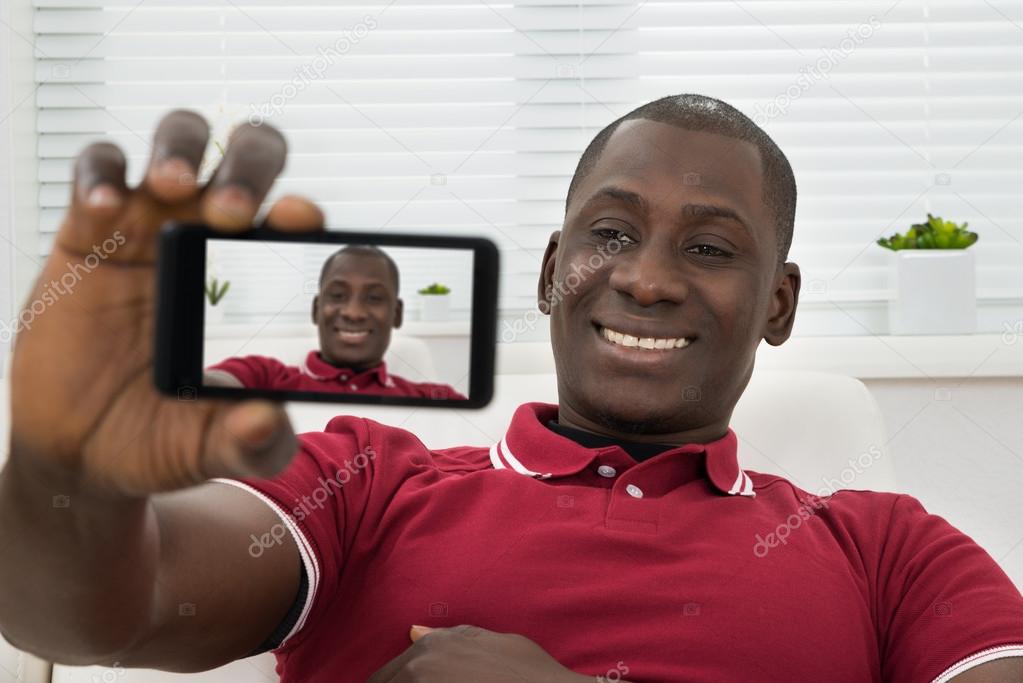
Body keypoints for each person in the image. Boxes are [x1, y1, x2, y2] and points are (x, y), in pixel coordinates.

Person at [2, 99, 1022, 682]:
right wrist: (62, 470)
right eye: (611, 234)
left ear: (778, 304)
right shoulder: (363, 479)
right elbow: (99, 614)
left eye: (709, 247)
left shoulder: (891, 549)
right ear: (548, 272)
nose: (649, 277)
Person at [204, 245, 466, 400]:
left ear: (396, 314)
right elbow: (199, 388)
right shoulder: (262, 377)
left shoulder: (432, 397)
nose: (353, 312)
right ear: (317, 309)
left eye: (374, 298)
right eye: (338, 296)